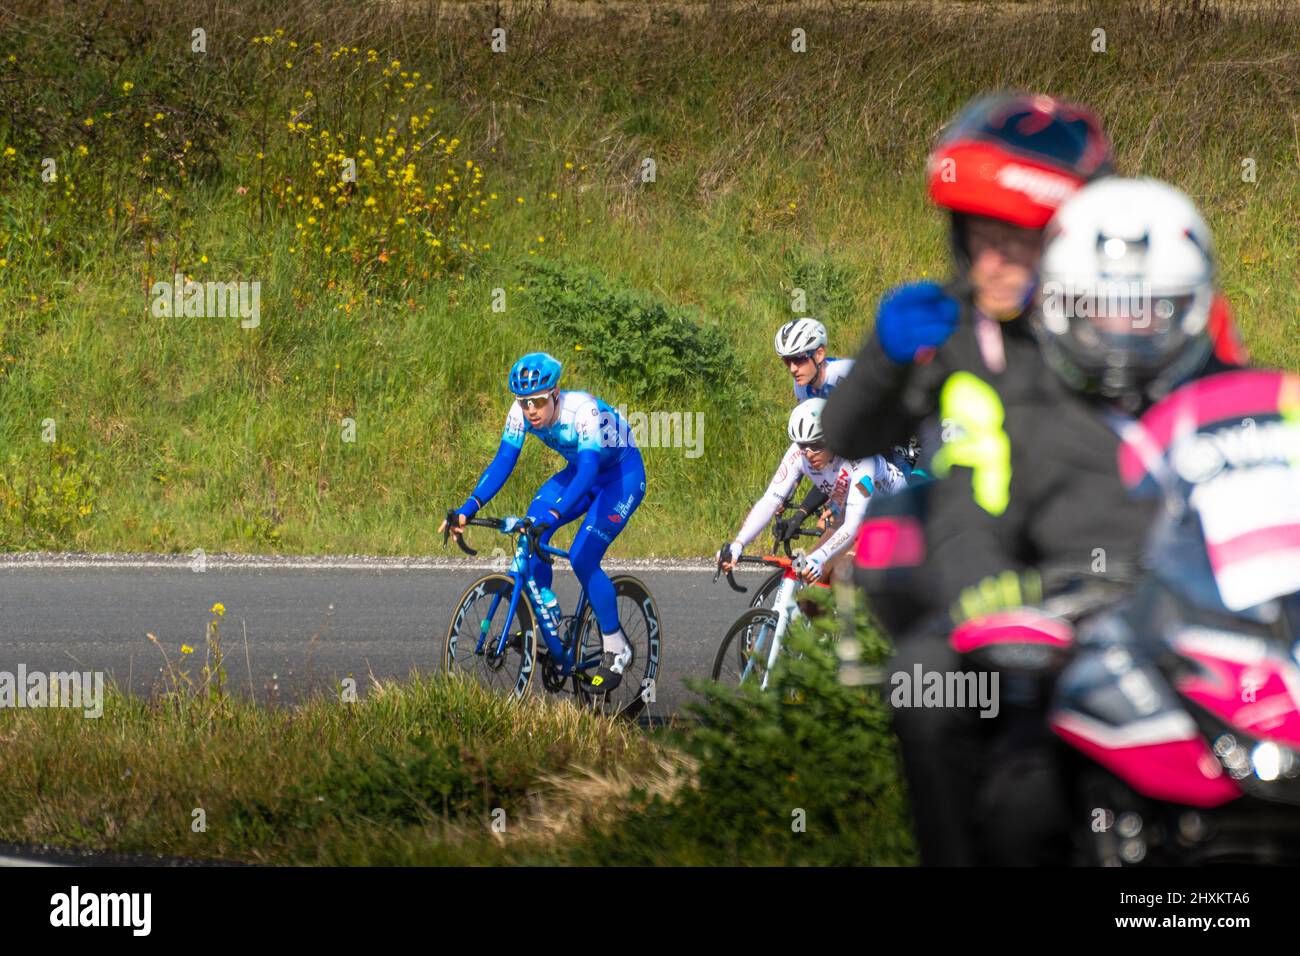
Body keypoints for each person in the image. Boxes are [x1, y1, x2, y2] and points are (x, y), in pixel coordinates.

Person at [856, 176, 1249, 865]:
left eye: (1150, 307)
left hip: (1221, 645)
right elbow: (970, 515)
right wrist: (989, 598)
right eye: (1102, 306)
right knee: (1016, 802)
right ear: (1064, 304)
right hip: (1067, 640)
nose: (1126, 327)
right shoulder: (1015, 398)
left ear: (1192, 308)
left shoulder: (1238, 393)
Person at [823, 91, 1115, 483]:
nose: (991, 264)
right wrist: (882, 362)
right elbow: (848, 437)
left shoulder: (1115, 330)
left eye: (1014, 242)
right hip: (969, 530)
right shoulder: (952, 323)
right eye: (979, 239)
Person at [439, 352, 647, 692]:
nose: (530, 410)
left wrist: (554, 514)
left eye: (537, 401)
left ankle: (616, 647)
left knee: (582, 556)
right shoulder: (520, 413)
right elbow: (503, 461)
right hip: (580, 471)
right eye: (524, 402)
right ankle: (546, 614)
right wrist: (468, 508)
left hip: (619, 475)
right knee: (528, 531)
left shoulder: (583, 411)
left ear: (555, 393)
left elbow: (591, 469)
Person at [721, 399, 906, 585]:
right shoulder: (799, 454)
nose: (808, 454)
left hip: (894, 515)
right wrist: (738, 543)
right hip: (851, 514)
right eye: (803, 446)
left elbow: (854, 523)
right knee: (806, 578)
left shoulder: (860, 458)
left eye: (816, 445)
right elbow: (770, 500)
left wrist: (820, 556)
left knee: (842, 574)